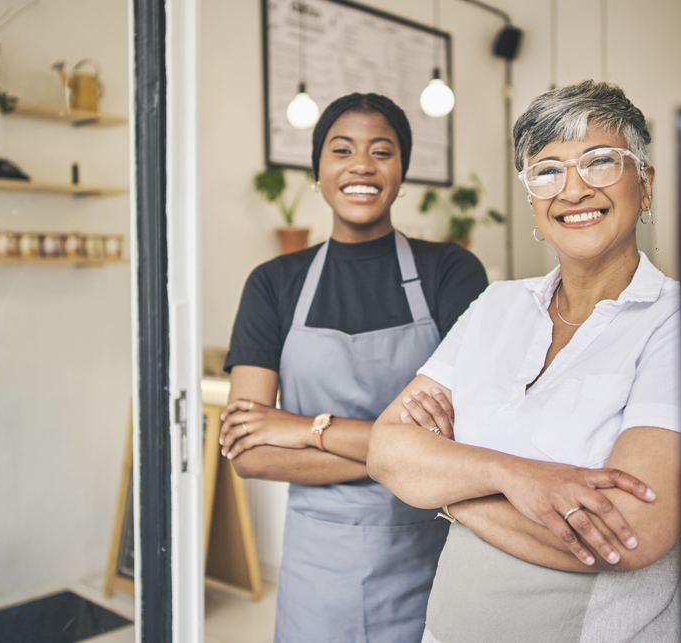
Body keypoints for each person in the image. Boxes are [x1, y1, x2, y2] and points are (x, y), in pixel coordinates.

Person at [368, 80, 681, 643]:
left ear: (646, 185)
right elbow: (386, 449)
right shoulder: (496, 305)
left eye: (601, 162)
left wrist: (446, 480)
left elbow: (632, 529)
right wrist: (514, 477)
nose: (574, 189)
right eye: (548, 170)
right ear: (532, 197)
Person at [219, 93, 489, 643]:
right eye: (342, 150)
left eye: (381, 151)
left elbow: (468, 437)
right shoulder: (273, 284)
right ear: (318, 171)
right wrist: (412, 454)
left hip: (432, 552)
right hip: (318, 574)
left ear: (402, 172)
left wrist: (302, 430)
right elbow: (247, 453)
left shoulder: (451, 272)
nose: (362, 165)